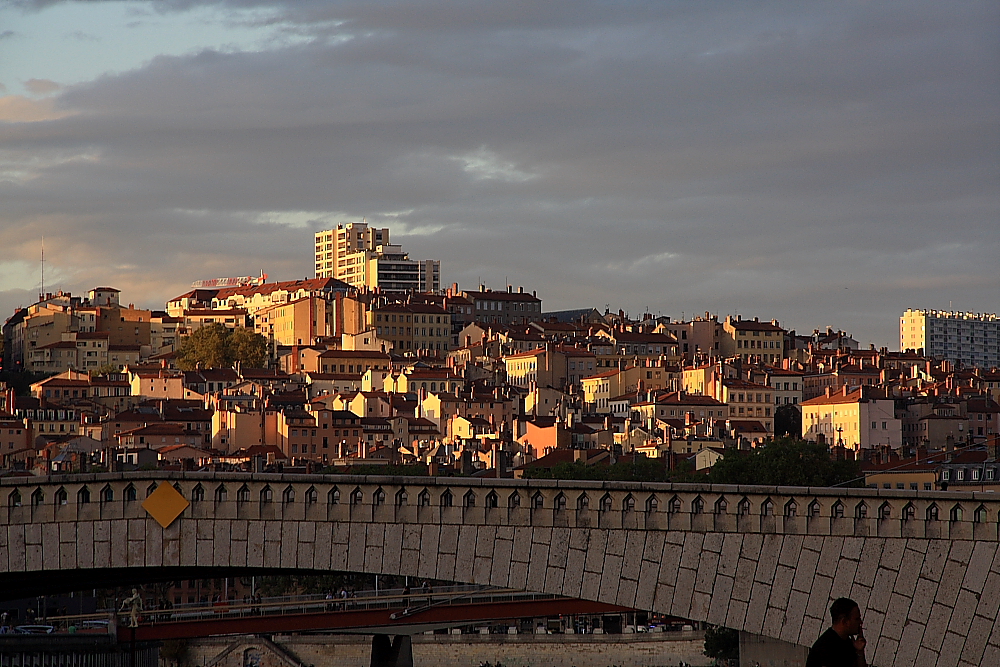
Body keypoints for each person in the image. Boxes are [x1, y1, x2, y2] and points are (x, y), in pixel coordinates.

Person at [806, 597, 867, 667]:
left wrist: (859, 652)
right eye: (857, 619)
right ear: (844, 622)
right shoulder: (825, 648)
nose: (860, 622)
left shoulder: (848, 642)